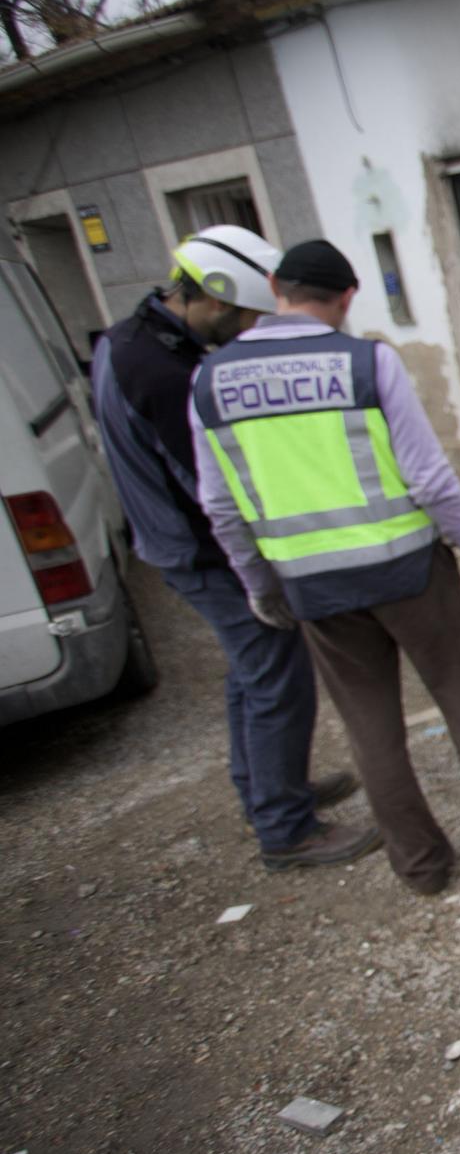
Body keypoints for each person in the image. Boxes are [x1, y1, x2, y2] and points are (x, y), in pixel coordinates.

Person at [188, 239, 460, 895]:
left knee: (370, 727)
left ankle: (422, 866)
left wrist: (263, 587)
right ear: (346, 298)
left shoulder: (211, 381)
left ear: (275, 287)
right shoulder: (366, 361)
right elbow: (426, 474)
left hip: (312, 583)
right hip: (406, 571)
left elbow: (221, 506)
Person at [91, 226, 378, 871]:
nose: (249, 331)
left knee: (251, 673)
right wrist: (263, 563)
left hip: (174, 544)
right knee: (278, 673)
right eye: (248, 317)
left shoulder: (125, 341)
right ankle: (287, 829)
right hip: (201, 551)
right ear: (214, 300)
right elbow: (211, 489)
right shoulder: (161, 372)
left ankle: (269, 792)